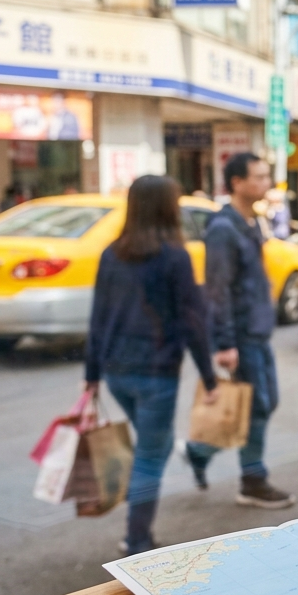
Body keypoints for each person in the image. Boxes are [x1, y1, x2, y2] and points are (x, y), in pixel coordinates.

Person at [84, 175, 218, 555]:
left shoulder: (112, 253)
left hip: (116, 371)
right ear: (167, 207)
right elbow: (192, 321)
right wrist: (209, 378)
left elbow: (98, 317)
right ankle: (137, 538)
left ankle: (137, 519)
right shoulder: (174, 256)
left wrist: (92, 374)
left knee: (149, 448)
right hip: (156, 372)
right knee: (150, 453)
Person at [184, 153, 295, 509]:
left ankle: (200, 448)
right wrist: (225, 343)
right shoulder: (223, 229)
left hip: (258, 332)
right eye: (259, 177)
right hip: (243, 335)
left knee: (263, 402)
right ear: (237, 183)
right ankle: (253, 480)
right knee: (257, 407)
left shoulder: (249, 222)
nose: (266, 183)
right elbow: (217, 291)